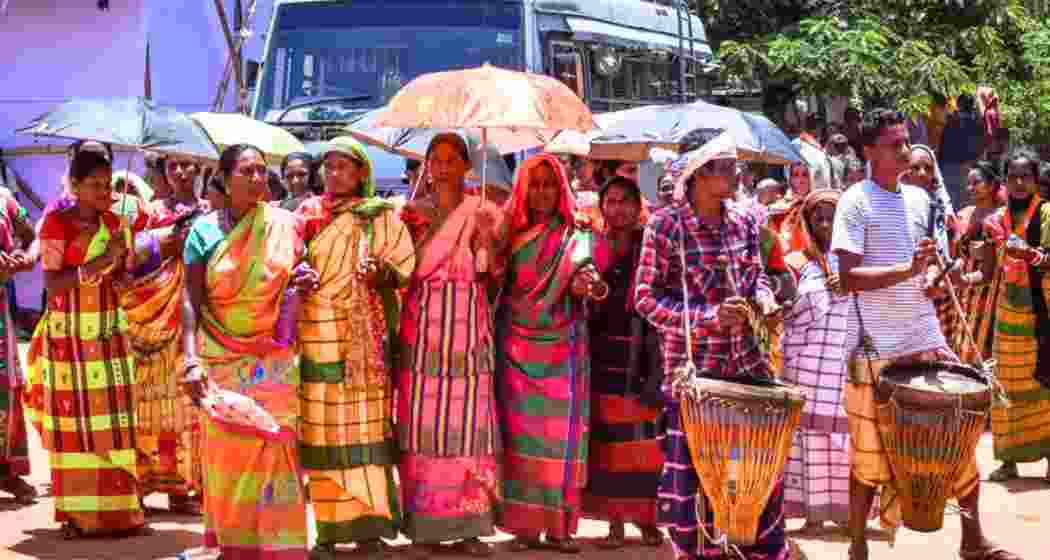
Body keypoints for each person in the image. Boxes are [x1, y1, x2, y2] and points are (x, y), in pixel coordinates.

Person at [832, 108, 1021, 560]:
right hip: (872, 345)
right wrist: (908, 269)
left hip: (924, 335)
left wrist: (939, 279)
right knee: (869, 456)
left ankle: (972, 542)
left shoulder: (919, 200)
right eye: (894, 144)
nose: (904, 151)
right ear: (869, 151)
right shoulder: (853, 201)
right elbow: (846, 276)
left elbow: (924, 278)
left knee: (959, 440)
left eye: (904, 142)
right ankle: (858, 548)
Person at [635, 131, 786, 560]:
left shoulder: (744, 220)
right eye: (725, 166)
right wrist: (707, 317)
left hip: (748, 366)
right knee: (700, 482)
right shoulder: (666, 226)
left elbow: (756, 275)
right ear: (699, 175)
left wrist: (765, 300)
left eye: (735, 165)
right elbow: (644, 299)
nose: (736, 173)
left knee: (756, 474)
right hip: (694, 374)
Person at [180, 144, 315, 559]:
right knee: (231, 454)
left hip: (272, 359)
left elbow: (297, 277)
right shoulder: (203, 232)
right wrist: (190, 360)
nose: (258, 178)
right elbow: (191, 301)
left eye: (262, 171)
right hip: (220, 357)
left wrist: (302, 281)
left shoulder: (286, 226)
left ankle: (282, 547)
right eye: (247, 171)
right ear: (223, 177)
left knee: (277, 446)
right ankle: (236, 547)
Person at [295, 137, 415, 559]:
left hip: (363, 342)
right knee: (323, 431)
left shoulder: (381, 217)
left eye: (344, 166)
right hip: (317, 336)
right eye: (329, 166)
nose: (335, 174)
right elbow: (290, 260)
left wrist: (379, 271)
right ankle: (329, 532)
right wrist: (301, 272)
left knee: (366, 429)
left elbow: (403, 269)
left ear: (362, 172)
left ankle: (370, 529)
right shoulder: (307, 214)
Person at [24, 145, 148, 538]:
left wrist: (122, 268)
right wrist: (98, 262)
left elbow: (122, 278)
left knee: (115, 423)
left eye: (106, 184)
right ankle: (79, 517)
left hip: (110, 335)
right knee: (75, 424)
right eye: (93, 184)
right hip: (70, 340)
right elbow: (53, 284)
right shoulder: (55, 225)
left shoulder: (117, 224)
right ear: (74, 185)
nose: (102, 191)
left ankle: (122, 514)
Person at [397, 133, 505, 557]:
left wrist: (486, 241)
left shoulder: (483, 212)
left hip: (468, 331)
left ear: (466, 166)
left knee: (469, 429)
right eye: (435, 160)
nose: (442, 167)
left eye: (451, 159)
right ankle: (426, 524)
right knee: (425, 427)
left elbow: (494, 278)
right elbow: (403, 269)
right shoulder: (409, 214)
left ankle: (471, 522)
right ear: (426, 166)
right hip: (424, 333)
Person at [495, 154, 605, 553]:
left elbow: (583, 272)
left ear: (561, 190)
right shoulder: (508, 233)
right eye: (534, 184)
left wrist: (584, 282)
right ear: (523, 190)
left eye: (549, 185)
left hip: (563, 350)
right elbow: (495, 284)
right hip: (515, 351)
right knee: (522, 441)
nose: (542, 192)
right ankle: (524, 527)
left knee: (561, 440)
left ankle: (559, 527)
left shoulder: (578, 231)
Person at [582, 176, 665, 550]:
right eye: (610, 201)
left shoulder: (652, 245)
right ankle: (614, 522)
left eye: (624, 201)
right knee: (609, 443)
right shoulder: (591, 246)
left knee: (646, 445)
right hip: (601, 354)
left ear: (637, 205)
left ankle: (649, 522)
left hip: (642, 354)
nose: (617, 208)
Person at [781, 190, 853, 532]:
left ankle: (845, 513)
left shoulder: (855, 261)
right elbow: (782, 311)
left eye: (831, 217)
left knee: (841, 441)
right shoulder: (796, 263)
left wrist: (850, 282)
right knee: (806, 439)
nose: (825, 224)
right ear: (807, 223)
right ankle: (811, 515)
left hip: (842, 367)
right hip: (804, 367)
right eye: (817, 218)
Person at [980, 148, 1050, 484]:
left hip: (1042, 313)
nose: (1019, 183)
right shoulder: (994, 221)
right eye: (1013, 177)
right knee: (1006, 387)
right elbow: (986, 272)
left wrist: (1031, 256)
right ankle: (1008, 461)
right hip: (1008, 317)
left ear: (1036, 181)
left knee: (1044, 385)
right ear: (1005, 181)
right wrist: (956, 277)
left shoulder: (1048, 214)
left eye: (1026, 177)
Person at [0, 187, 36, 505]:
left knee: (5, 386)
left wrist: (24, 256)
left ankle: (6, 470)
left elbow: (32, 234)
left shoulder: (4, 198)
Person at [905, 144, 958, 346]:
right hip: (913, 296)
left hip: (938, 292)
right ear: (905, 172)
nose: (922, 173)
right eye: (915, 167)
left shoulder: (937, 206)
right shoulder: (900, 206)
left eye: (928, 168)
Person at [952, 161, 1005, 363]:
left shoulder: (1001, 218)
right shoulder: (964, 214)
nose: (970, 188)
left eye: (976, 182)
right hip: (963, 290)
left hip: (989, 292)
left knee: (980, 347)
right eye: (968, 183)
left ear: (992, 185)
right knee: (959, 341)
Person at [793, 113, 839, 191]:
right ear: (806, 126)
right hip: (803, 186)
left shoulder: (822, 144)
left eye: (818, 125)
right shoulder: (797, 143)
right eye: (812, 125)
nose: (817, 128)